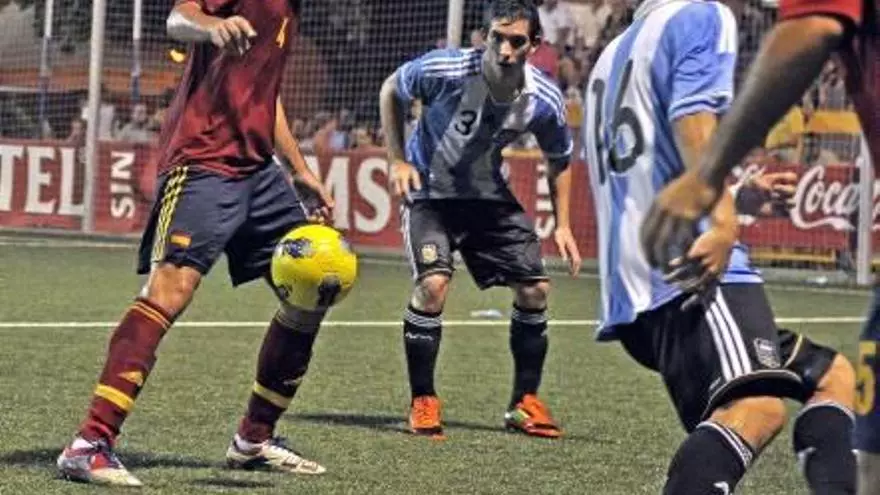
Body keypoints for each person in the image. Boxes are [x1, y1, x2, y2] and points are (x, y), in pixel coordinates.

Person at [56, 0, 336, 486]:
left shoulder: (290, 11)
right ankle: (89, 443)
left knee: (313, 286)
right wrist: (212, 26)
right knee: (171, 288)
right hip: (203, 159)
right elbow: (179, 17)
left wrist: (300, 169)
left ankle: (254, 438)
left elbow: (264, 96)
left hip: (258, 171)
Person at [584, 0, 856, 492]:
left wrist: (740, 195)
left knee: (833, 376)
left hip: (636, 285)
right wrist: (725, 221)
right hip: (693, 271)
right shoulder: (700, 14)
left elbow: (649, 160)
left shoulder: (614, 52)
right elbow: (694, 124)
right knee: (754, 409)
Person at [378, 0, 581, 440]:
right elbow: (391, 89)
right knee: (433, 286)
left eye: (516, 41)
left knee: (535, 289)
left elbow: (559, 158)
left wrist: (563, 224)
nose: (505, 50)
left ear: (534, 44)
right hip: (429, 190)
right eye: (497, 38)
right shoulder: (445, 69)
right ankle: (423, 400)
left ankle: (524, 404)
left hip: (486, 195)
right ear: (484, 36)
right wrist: (397, 160)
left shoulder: (543, 99)